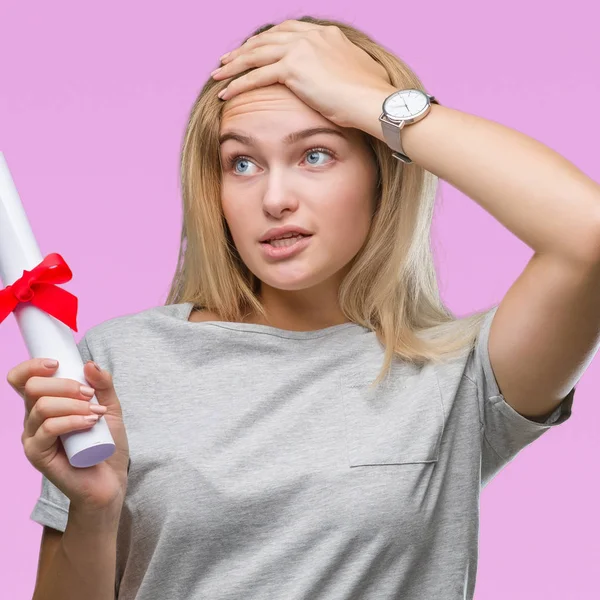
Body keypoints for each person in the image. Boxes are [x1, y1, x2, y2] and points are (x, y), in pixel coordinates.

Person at [10, 13, 599, 600]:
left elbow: (588, 235)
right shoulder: (118, 363)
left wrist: (377, 101)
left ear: (382, 173)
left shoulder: (460, 376)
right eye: (241, 163)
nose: (274, 198)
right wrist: (94, 512)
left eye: (316, 155)